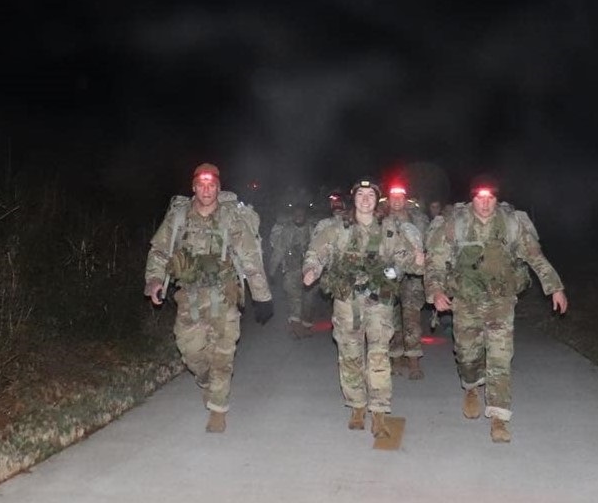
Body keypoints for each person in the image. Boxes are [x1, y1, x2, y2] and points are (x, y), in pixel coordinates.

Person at [425, 177, 568, 442]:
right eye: (480, 198)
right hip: (466, 301)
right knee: (467, 355)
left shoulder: (511, 224)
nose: (485, 203)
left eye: (490, 198)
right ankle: (470, 387)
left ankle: (499, 417)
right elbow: (435, 261)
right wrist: (435, 291)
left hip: (500, 302)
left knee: (500, 358)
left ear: (497, 199)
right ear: (472, 199)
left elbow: (535, 256)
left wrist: (555, 287)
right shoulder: (455, 224)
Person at [144, 163, 274, 433]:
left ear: (218, 187)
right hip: (188, 298)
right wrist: (155, 281)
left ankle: (218, 408)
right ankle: (206, 382)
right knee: (190, 351)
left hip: (224, 296)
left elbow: (250, 257)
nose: (206, 190)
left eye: (211, 185)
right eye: (201, 185)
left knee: (223, 355)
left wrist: (262, 297)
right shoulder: (179, 217)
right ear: (193, 187)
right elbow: (159, 251)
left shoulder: (230, 218)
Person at [303, 177, 423, 438]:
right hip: (347, 302)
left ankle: (379, 411)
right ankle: (357, 405)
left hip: (379, 302)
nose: (365, 200)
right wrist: (311, 269)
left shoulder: (389, 228)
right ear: (353, 199)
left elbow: (405, 259)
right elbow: (317, 251)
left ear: (376, 200)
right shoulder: (338, 228)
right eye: (360, 195)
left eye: (370, 196)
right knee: (350, 355)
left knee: (379, 356)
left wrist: (418, 261)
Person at [384, 183, 430, 380]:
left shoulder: (418, 218)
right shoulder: (381, 219)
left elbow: (429, 242)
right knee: (391, 315)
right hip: (388, 275)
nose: (396, 200)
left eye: (400, 196)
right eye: (393, 196)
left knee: (411, 317)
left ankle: (413, 360)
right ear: (388, 198)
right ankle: (395, 357)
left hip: (412, 276)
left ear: (405, 198)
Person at [269, 202, 314, 338]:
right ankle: (295, 327)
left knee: (309, 300)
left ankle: (306, 325)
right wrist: (272, 270)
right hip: (291, 269)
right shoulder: (287, 230)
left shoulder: (311, 229)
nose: (299, 217)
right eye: (296, 214)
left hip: (309, 270)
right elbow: (279, 250)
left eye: (301, 214)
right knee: (294, 299)